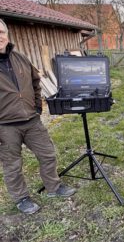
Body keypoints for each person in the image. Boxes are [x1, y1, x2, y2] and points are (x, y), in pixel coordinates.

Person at [0, 19, 75, 214]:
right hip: (5, 126)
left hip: (31, 121)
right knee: (12, 165)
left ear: (7, 34)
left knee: (47, 154)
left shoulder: (20, 58)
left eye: (1, 32)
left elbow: (35, 82)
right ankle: (21, 198)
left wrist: (37, 107)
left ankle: (54, 187)